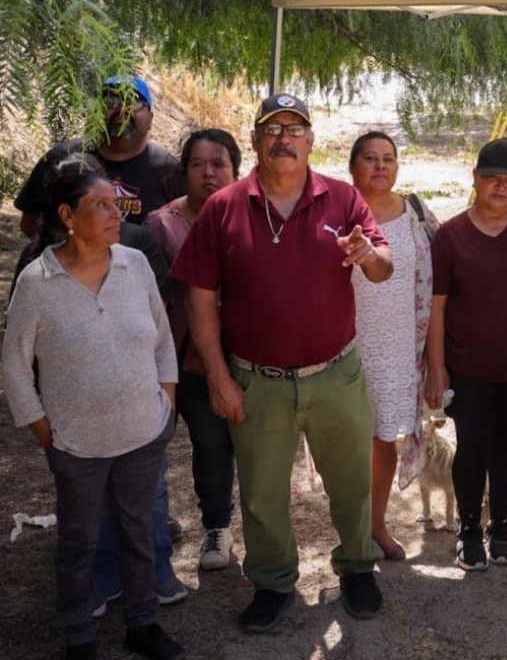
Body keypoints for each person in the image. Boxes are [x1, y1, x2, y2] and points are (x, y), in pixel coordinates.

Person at [171, 92, 393, 633]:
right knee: (263, 492)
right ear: (255, 141)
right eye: (273, 130)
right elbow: (199, 297)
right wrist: (220, 377)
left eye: (295, 130)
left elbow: (383, 265)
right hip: (257, 380)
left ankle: (358, 566)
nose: (284, 139)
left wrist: (369, 255)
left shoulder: (342, 200)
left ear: (312, 142)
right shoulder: (224, 207)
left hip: (336, 374)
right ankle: (272, 582)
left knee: (351, 483)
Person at [2, 156, 184, 660]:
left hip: (143, 434)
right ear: (66, 215)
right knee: (78, 546)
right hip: (75, 445)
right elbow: (14, 366)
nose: (115, 214)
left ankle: (142, 625)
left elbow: (162, 339)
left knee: (139, 534)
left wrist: (165, 398)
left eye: (116, 204)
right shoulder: (37, 284)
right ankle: (79, 636)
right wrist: (43, 430)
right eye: (100, 205)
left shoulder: (136, 264)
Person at [429, 138, 507, 571]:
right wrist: (437, 367)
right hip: (468, 367)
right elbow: (437, 306)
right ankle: (468, 528)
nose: (500, 186)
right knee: (473, 445)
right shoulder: (450, 236)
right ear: (474, 179)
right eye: (491, 177)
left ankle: (500, 524)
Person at [143, 129, 242, 573]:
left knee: (229, 444)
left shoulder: (252, 219)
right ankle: (189, 525)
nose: (208, 174)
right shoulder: (161, 225)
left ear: (236, 171)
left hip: (238, 356)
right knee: (183, 443)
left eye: (218, 164)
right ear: (184, 172)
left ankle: (234, 526)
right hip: (180, 359)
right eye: (198, 165)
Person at [347, 130, 438, 563]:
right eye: (370, 157)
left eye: (389, 158)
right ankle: (349, 528)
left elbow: (441, 288)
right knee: (345, 442)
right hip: (346, 342)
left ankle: (376, 525)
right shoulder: (336, 211)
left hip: (400, 343)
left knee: (385, 439)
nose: (381, 165)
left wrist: (436, 362)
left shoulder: (416, 213)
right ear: (353, 166)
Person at [15, 75, 180, 237]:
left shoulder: (170, 171)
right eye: (111, 101)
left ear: (150, 119)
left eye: (134, 102)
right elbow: (30, 224)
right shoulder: (62, 158)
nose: (122, 109)